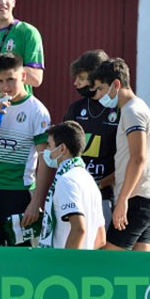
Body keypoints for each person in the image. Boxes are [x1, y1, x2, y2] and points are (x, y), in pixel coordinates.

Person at [0, 52, 52, 246]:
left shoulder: (37, 110)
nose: (6, 87)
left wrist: (36, 203)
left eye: (11, 80)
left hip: (19, 193)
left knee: (21, 259)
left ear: (23, 77)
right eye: (0, 81)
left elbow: (45, 161)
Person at [90, 58, 150, 251]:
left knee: (109, 260)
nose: (97, 96)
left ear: (116, 84)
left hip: (138, 199)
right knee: (138, 270)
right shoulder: (139, 109)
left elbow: (138, 158)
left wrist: (122, 200)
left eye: (100, 89)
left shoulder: (132, 111)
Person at [63, 50, 118, 228]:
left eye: (81, 77)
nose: (75, 83)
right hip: (76, 196)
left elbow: (129, 158)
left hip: (108, 197)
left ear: (95, 77)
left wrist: (103, 183)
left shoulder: (119, 110)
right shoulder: (76, 109)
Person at [38, 121, 106, 249]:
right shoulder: (89, 180)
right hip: (84, 265)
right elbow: (101, 239)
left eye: (49, 145)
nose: (46, 150)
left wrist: (68, 266)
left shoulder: (66, 180)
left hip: (61, 266)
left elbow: (79, 229)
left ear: (62, 149)